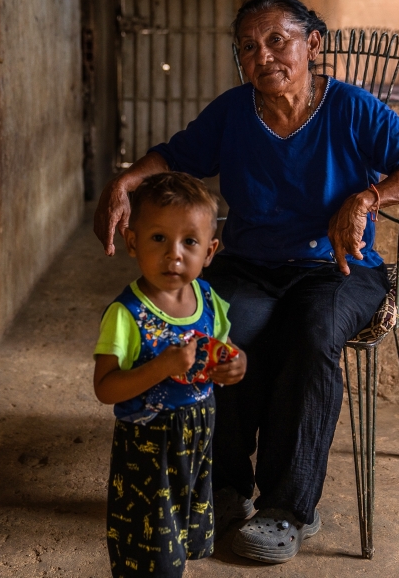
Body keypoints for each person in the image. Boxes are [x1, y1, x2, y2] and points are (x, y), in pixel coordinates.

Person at [94, 0, 399, 564]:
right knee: (221, 332)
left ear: (311, 44)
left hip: (339, 269)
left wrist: (368, 196)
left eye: (276, 40)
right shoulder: (234, 112)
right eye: (248, 47)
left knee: (312, 337)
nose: (263, 56)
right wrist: (125, 182)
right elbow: (174, 155)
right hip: (251, 265)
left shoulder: (351, 108)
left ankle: (288, 509)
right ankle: (227, 487)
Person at [93, 172, 248, 577]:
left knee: (182, 537)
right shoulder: (127, 315)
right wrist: (162, 366)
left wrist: (236, 364)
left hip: (197, 440)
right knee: (149, 549)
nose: (174, 255)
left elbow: (224, 353)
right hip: (149, 449)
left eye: (189, 242)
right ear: (132, 242)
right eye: (158, 238)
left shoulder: (208, 300)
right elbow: (105, 389)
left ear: (210, 251)